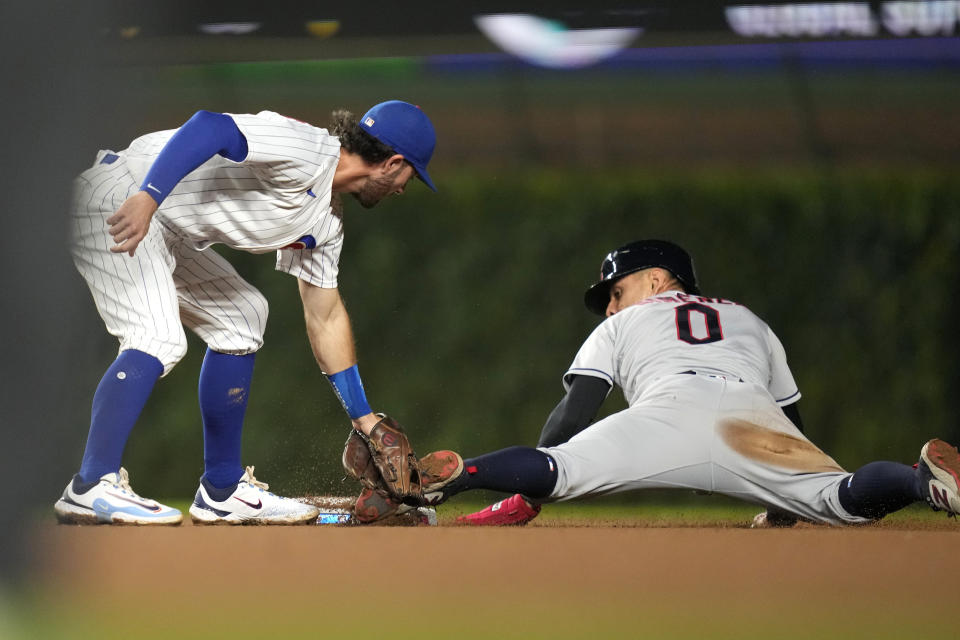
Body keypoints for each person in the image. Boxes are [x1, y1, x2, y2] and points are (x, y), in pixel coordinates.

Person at [55, 100, 438, 525]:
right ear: (393, 162)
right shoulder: (307, 149)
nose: (404, 187)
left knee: (242, 317)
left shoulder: (326, 222)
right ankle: (91, 485)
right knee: (155, 336)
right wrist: (149, 196)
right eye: (411, 175)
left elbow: (325, 315)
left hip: (166, 227)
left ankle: (221, 490)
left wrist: (364, 419)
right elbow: (209, 127)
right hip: (122, 194)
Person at [397, 239, 960, 526]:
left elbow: (576, 410)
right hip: (753, 422)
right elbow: (790, 421)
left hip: (663, 413)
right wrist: (787, 499)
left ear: (657, 280)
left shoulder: (631, 322)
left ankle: (457, 476)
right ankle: (919, 480)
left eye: (616, 292)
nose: (611, 307)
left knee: (559, 469)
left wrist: (535, 487)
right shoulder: (747, 318)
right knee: (839, 497)